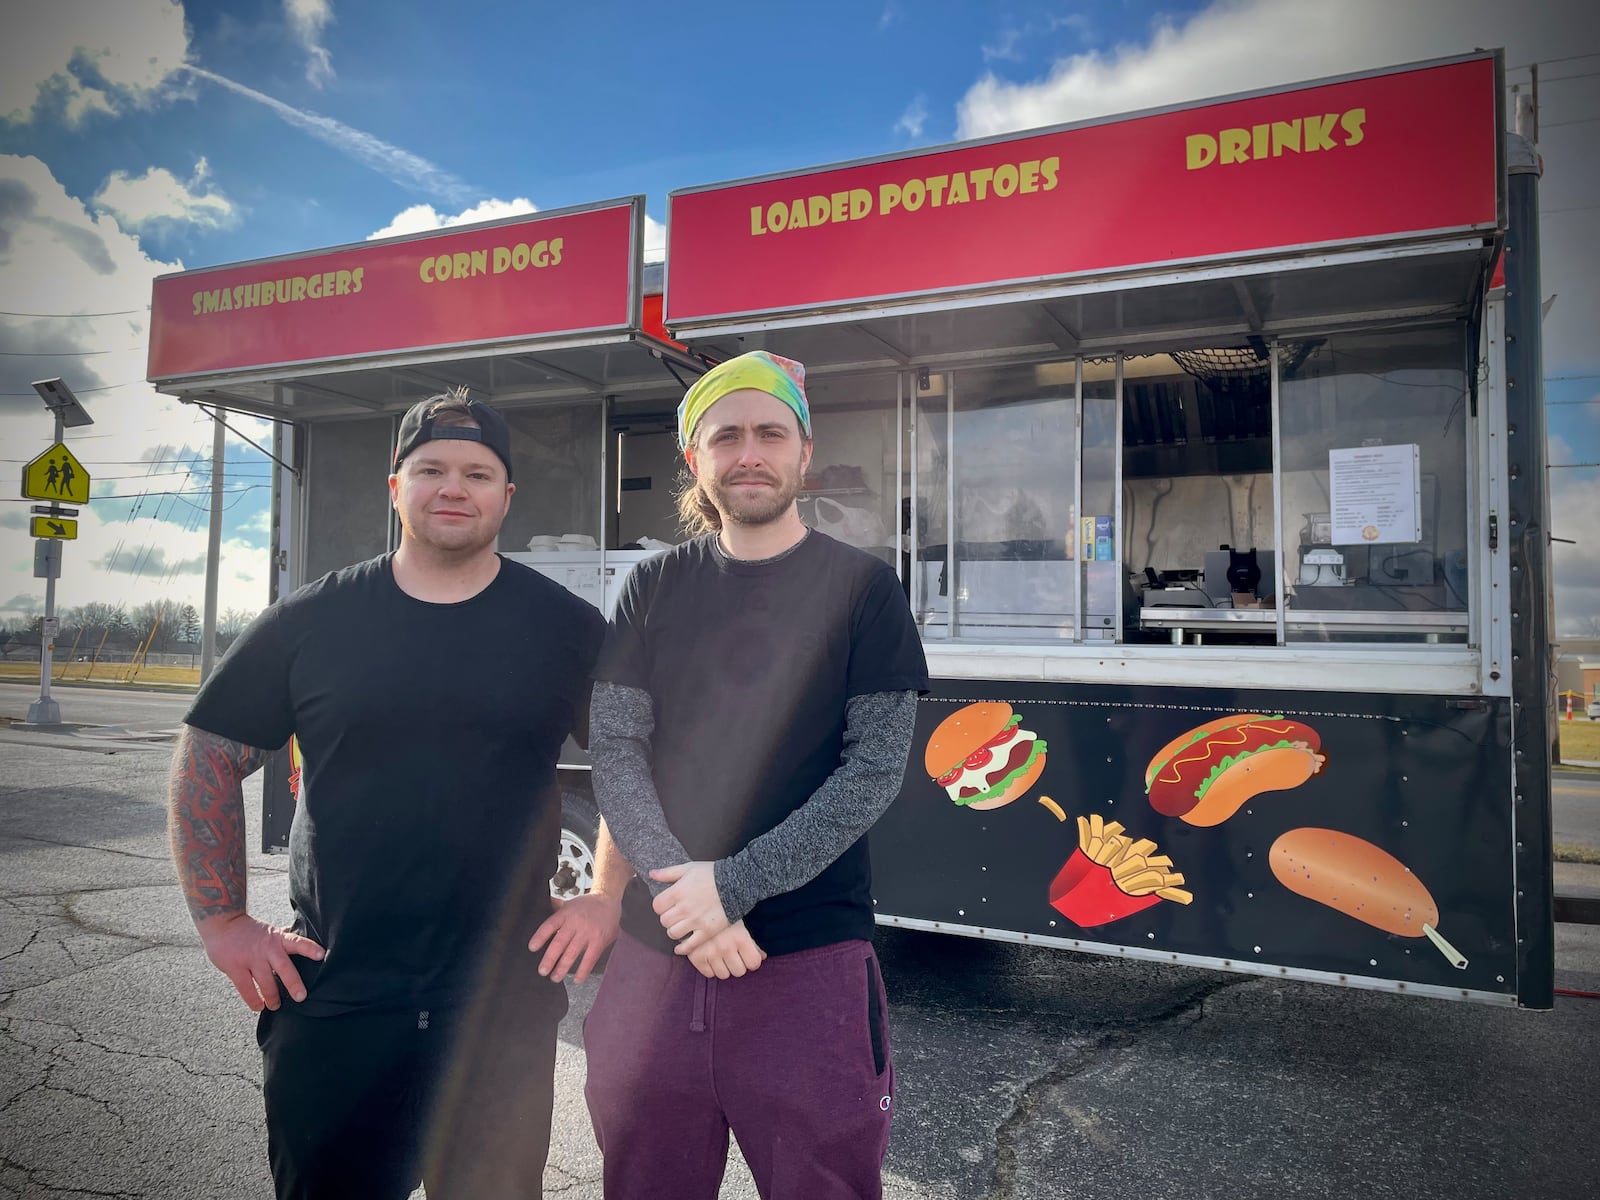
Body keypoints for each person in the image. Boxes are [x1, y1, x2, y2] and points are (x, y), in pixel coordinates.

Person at [167, 388, 629, 1200]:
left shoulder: (564, 629)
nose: (455, 487)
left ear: (507, 496)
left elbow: (635, 762)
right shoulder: (313, 620)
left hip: (497, 1016)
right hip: (336, 1003)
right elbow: (206, 754)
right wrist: (225, 924)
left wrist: (604, 897)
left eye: (478, 473)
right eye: (432, 469)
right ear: (396, 486)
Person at [584, 351, 929, 1199]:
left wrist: (732, 886)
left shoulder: (864, 591)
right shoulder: (651, 587)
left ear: (803, 453)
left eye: (771, 433)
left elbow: (873, 772)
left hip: (810, 961)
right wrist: (685, 897)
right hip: (652, 962)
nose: (750, 453)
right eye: (726, 435)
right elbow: (618, 750)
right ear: (694, 459)